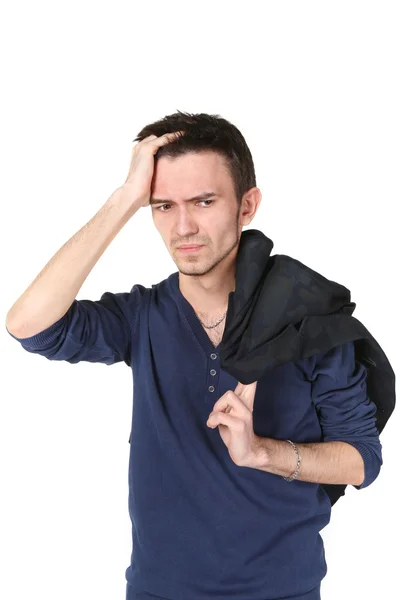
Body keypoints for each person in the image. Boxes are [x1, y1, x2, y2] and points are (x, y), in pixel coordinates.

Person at [6, 111, 382, 600]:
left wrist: (262, 453)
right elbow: (28, 325)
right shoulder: (140, 317)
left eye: (204, 201)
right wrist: (125, 198)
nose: (182, 226)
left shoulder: (309, 318)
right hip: (157, 591)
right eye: (162, 206)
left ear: (247, 206)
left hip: (282, 591)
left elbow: (361, 460)